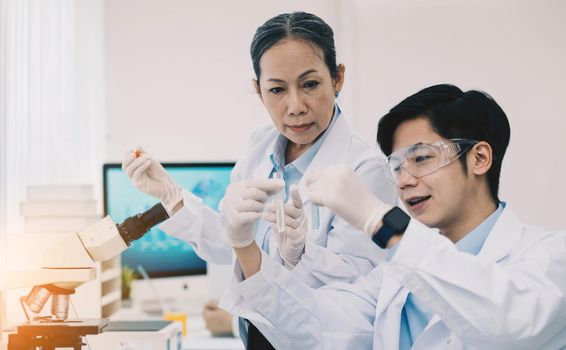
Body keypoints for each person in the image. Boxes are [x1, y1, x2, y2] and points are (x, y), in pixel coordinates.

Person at [122, 12, 396, 348]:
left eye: (310, 84)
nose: (295, 106)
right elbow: (231, 245)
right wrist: (171, 196)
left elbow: (358, 290)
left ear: (338, 78)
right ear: (257, 90)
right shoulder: (260, 146)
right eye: (277, 89)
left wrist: (302, 255)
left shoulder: (366, 169)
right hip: (255, 334)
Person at [222, 84, 566, 349]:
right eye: (396, 165)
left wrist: (379, 219)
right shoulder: (393, 276)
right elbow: (316, 326)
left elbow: (510, 323)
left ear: (478, 159)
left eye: (421, 158)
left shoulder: (548, 256)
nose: (404, 179)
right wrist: (245, 247)